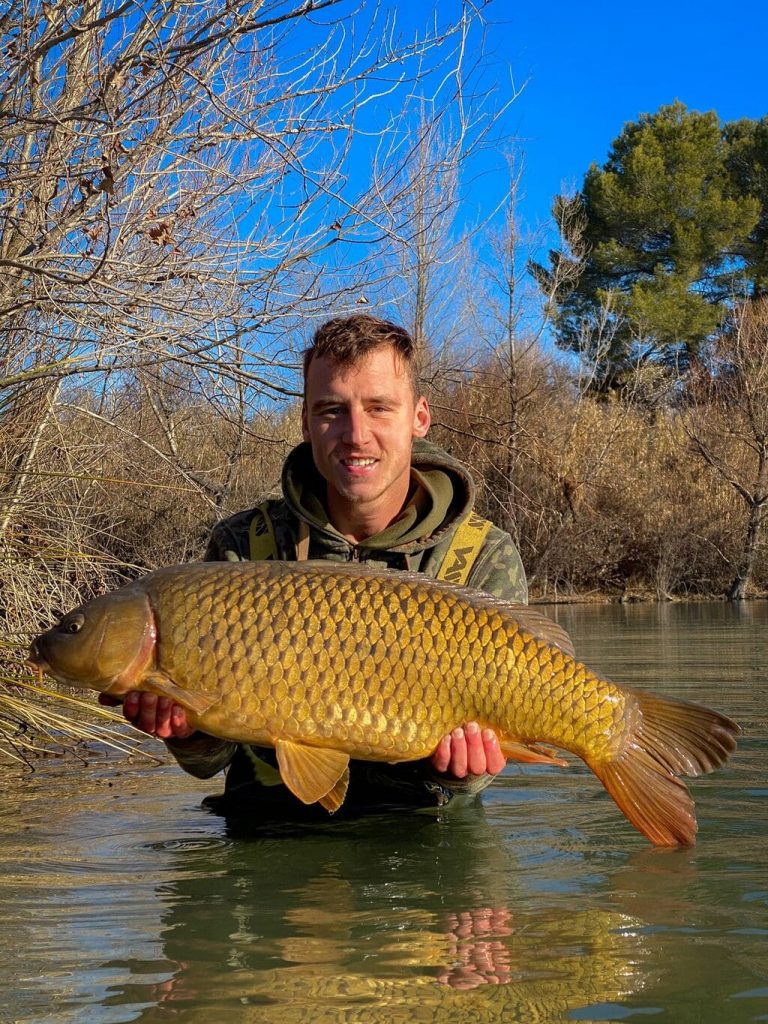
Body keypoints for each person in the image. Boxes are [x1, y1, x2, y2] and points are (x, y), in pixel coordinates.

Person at [106, 314, 528, 817]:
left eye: (379, 408)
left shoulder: (483, 555)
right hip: (266, 828)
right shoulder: (243, 548)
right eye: (332, 410)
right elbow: (210, 761)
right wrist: (186, 734)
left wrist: (463, 770)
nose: (356, 435)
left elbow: (476, 781)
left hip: (425, 830)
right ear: (306, 422)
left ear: (419, 418)